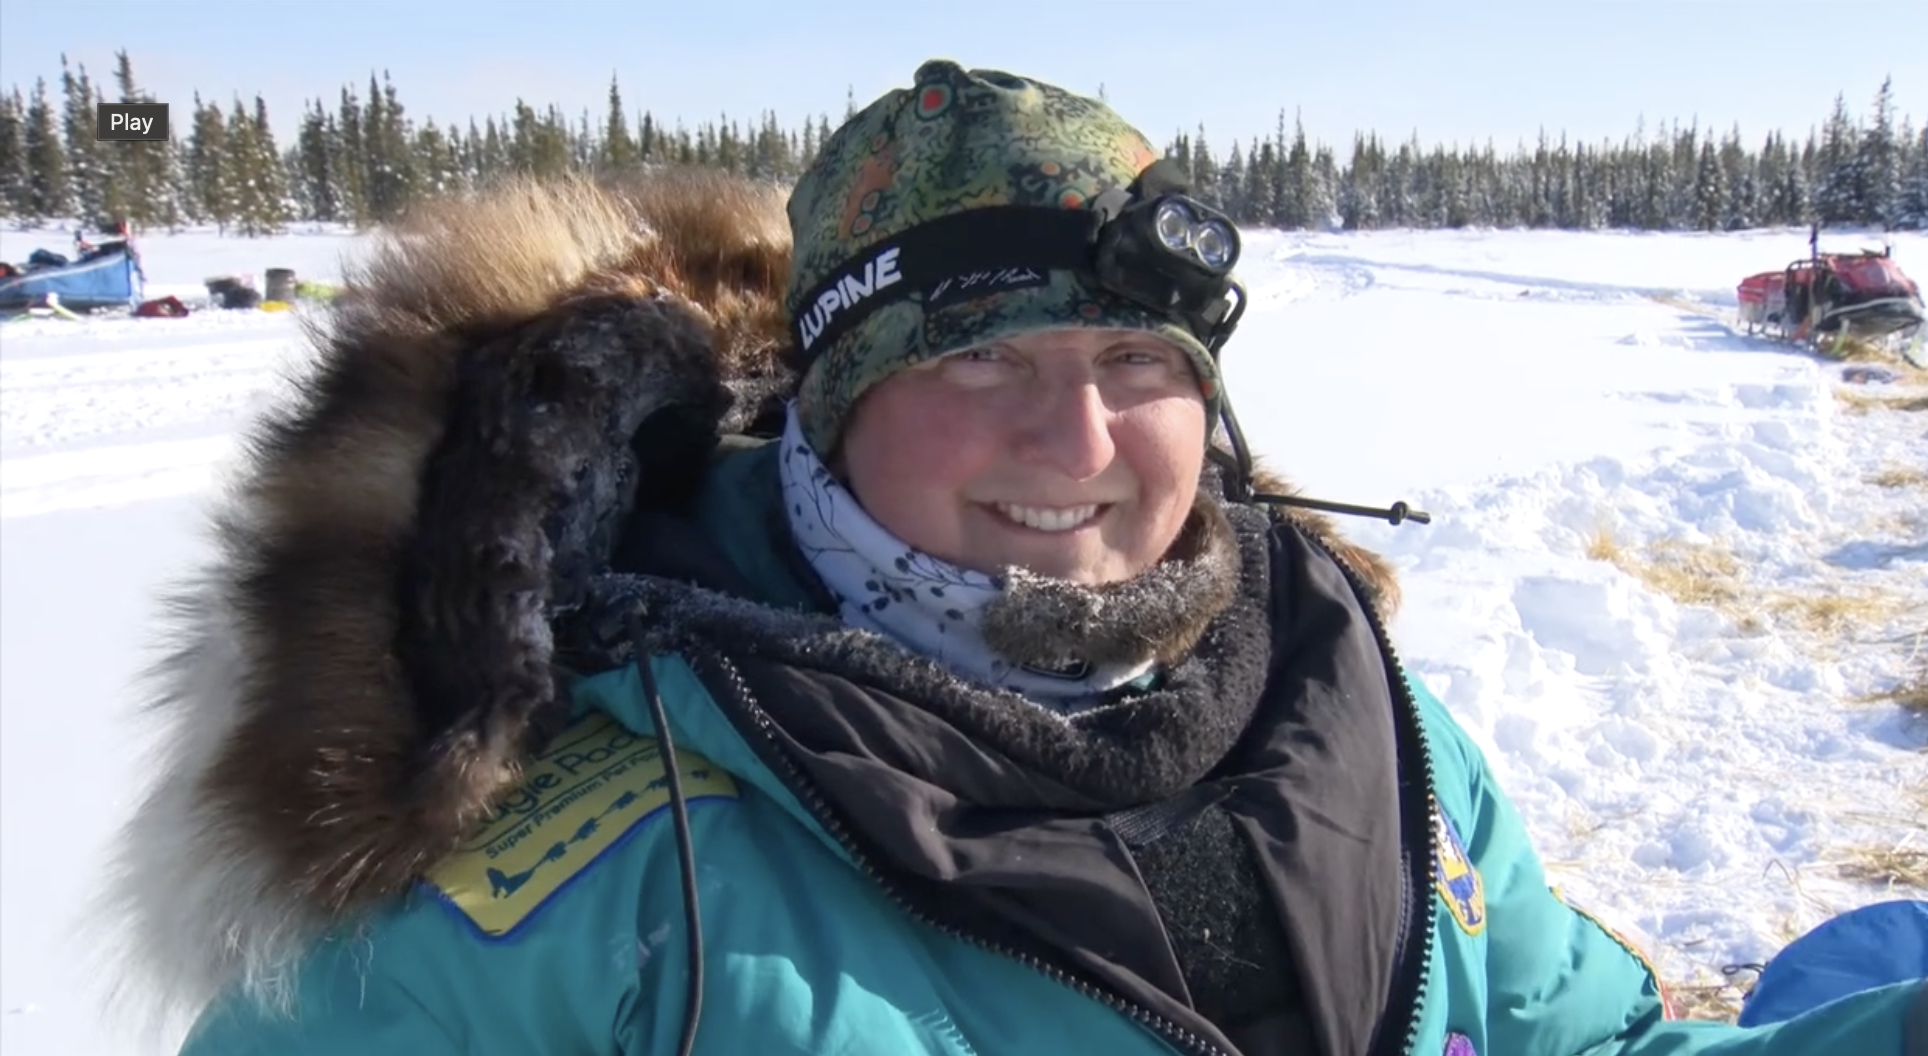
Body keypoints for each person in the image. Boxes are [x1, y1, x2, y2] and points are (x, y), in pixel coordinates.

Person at [101, 59, 1922, 1056]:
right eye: (975, 364)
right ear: (829, 405)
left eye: (1140, 361)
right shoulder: (582, 885)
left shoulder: (1353, 714)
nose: (1079, 444)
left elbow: (1583, 1047)